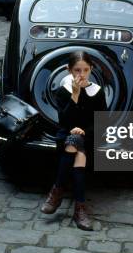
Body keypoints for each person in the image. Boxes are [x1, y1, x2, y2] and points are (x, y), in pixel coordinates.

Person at [40, 51, 107, 230]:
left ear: (91, 70)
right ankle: (80, 209)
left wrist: (84, 130)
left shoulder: (97, 92)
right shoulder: (64, 91)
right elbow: (64, 121)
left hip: (91, 135)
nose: (82, 74)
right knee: (77, 151)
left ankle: (57, 191)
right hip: (67, 133)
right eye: (77, 70)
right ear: (69, 70)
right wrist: (75, 95)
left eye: (86, 70)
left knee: (74, 142)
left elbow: (102, 123)